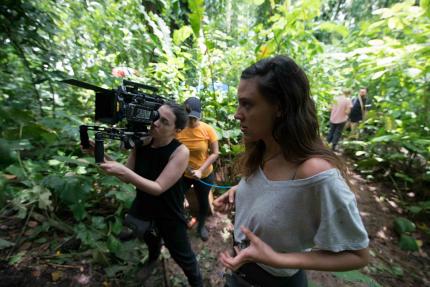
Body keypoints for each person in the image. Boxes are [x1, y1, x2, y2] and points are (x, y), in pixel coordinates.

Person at [213, 55, 369, 287]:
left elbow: (358, 255)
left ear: (280, 107)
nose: (237, 113)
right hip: (239, 271)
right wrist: (241, 190)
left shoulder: (315, 173)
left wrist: (278, 259)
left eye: (247, 104)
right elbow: (277, 190)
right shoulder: (262, 148)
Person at [92, 103, 203, 286]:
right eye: (155, 116)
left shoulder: (180, 151)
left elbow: (158, 187)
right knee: (149, 238)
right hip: (144, 206)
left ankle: (196, 282)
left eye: (164, 122)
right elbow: (126, 175)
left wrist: (125, 172)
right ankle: (153, 259)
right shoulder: (142, 143)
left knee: (183, 256)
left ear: (177, 130)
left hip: (169, 212)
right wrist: (101, 156)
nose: (156, 123)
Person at [177, 97, 219, 241]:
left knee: (203, 202)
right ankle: (184, 220)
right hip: (184, 174)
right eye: (189, 118)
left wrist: (201, 170)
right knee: (175, 197)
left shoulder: (207, 129)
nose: (192, 121)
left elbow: (215, 153)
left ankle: (201, 226)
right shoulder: (179, 130)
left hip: (204, 173)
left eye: (194, 118)